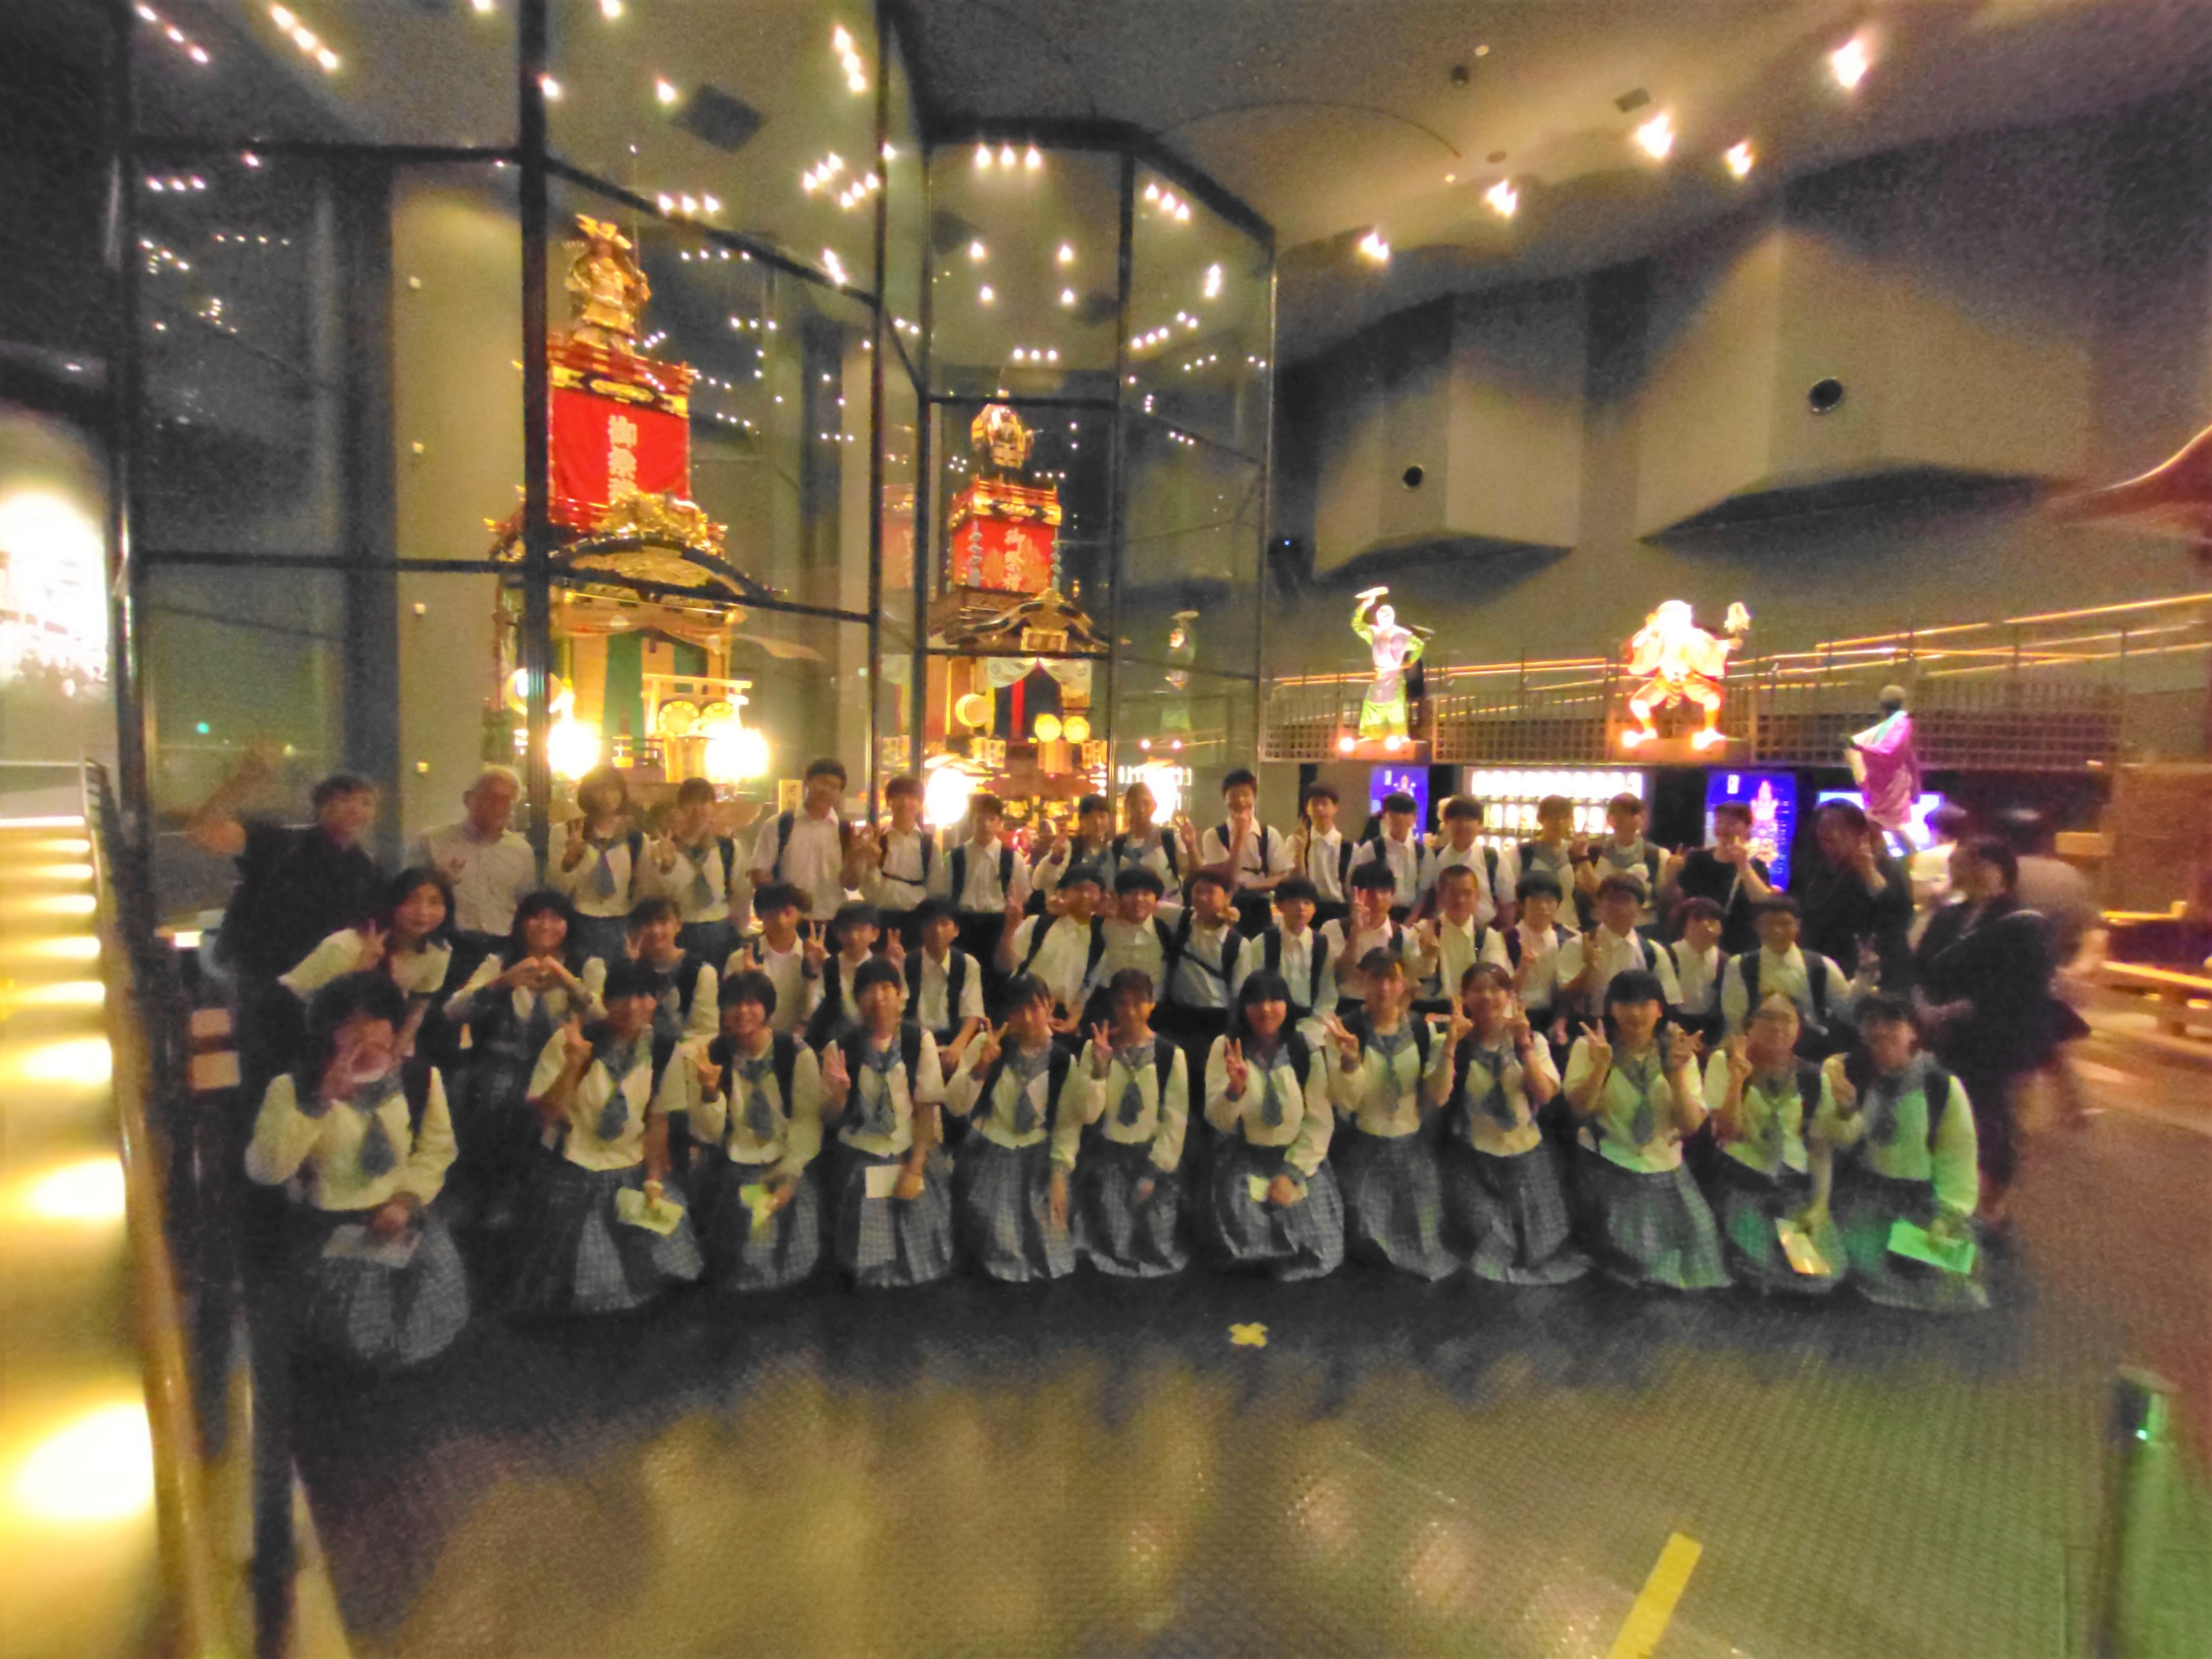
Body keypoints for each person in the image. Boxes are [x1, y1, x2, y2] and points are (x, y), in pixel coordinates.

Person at [243, 972, 468, 1367]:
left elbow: (436, 1150)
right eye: (352, 1037)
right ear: (329, 1035)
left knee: (426, 1313)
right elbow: (266, 1171)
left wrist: (405, 1201)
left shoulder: (418, 1079)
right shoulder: (293, 1089)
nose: (367, 1052)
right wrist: (319, 1101)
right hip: (331, 1228)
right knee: (345, 1341)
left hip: (401, 1217)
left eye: (379, 1039)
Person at [512, 959, 705, 1315]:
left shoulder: (664, 1051)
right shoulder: (572, 1041)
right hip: (575, 1164)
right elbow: (546, 1115)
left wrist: (653, 1180)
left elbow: (658, 1120)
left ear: (656, 1000)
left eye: (643, 996)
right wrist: (573, 1064)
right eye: (622, 996)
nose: (633, 1006)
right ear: (606, 998)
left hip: (630, 1164)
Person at [193, 762, 385, 1100]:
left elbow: (367, 929)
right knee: (265, 1077)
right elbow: (203, 833)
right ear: (321, 805)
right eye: (344, 799)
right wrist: (245, 778)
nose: (356, 809)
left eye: (366, 802)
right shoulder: (280, 842)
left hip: (325, 989)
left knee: (316, 1078)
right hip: (265, 982)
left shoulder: (366, 867)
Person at [1912, 838, 2057, 1225]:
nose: (1967, 872)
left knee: (1989, 1115)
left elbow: (2019, 987)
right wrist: (1923, 1005)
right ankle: (1945, 1188)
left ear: (2003, 870)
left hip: (1991, 1039)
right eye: (1962, 864)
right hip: (1942, 1035)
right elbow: (1921, 964)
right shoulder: (1949, 916)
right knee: (1940, 1108)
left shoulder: (2024, 923)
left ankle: (1993, 1197)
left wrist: (1952, 1011)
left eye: (1978, 865)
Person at [1561, 970, 1728, 1290]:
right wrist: (1600, 1067)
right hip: (1610, 1161)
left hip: (1664, 1164)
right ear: (1612, 1008)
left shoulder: (1675, 1051)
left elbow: (1690, 1125)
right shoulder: (1592, 1046)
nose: (1635, 1013)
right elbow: (1579, 1111)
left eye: (1645, 1004)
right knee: (1638, 1256)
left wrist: (1676, 1074)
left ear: (1660, 1009)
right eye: (1626, 1003)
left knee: (1700, 1250)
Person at [441, 890, 598, 1229]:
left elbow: (602, 1017)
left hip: (562, 1064)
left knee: (546, 1104)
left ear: (569, 925)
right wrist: (502, 984)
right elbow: (453, 1010)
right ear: (521, 923)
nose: (545, 926)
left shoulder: (585, 965)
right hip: (505, 1059)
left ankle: (520, 1192)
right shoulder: (500, 961)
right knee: (495, 1092)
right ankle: (484, 1188)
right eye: (536, 917)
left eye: (555, 918)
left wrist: (568, 982)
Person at [1820, 996, 1986, 1312]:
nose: (1881, 1030)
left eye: (1892, 1021)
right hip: (1868, 1196)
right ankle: (1883, 1253)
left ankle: (1900, 1252)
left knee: (1950, 1269)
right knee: (1850, 1255)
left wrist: (1947, 1214)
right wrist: (1844, 1110)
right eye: (1872, 1022)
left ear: (1913, 1031)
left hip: (1922, 1201)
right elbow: (1837, 1142)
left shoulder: (1941, 1086)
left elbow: (1957, 1154)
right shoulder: (1852, 1075)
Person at [673, 971, 825, 1293]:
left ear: (768, 1009)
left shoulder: (795, 1055)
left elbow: (806, 1121)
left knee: (788, 1256)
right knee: (746, 1248)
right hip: (736, 1164)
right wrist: (710, 1092)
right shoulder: (713, 1055)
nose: (743, 1011)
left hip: (785, 1161)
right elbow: (709, 1133)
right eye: (734, 1004)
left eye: (753, 1003)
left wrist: (788, 1176)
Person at [1436, 962, 1586, 1285]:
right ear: (1464, 997)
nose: (1487, 997)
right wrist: (1449, 1045)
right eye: (1478, 990)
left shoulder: (1533, 1040)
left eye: (1495, 989)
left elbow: (1544, 1095)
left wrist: (1525, 1047)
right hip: (1475, 1159)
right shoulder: (1454, 1044)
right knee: (1489, 1246)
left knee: (1539, 1248)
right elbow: (1437, 1099)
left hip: (1526, 1156)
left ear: (1509, 995)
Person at [943, 976, 1094, 1283]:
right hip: (990, 1148)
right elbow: (955, 1105)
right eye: (1017, 1009)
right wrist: (981, 1067)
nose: (1027, 1018)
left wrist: (1059, 1174)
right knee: (996, 1235)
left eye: (1034, 1007)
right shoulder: (989, 1046)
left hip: (1037, 1153)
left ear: (1049, 1007)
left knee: (1049, 1239)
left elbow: (1067, 1124)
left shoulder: (1063, 1061)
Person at [1319, 952, 1456, 1281]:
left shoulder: (1422, 1030)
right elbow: (1345, 1102)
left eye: (1391, 979)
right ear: (1362, 982)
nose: (1383, 988)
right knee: (1366, 1237)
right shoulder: (1345, 1030)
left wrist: (1450, 1046)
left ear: (1404, 983)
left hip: (1411, 1148)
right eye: (1375, 979)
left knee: (1423, 1237)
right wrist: (1350, 1062)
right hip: (1363, 1146)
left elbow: (1437, 1097)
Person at [818, 957, 954, 1289]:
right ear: (857, 1000)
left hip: (909, 1146)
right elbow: (830, 1119)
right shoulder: (840, 1048)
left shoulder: (918, 1041)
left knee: (920, 1229)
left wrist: (916, 1168)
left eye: (885, 988)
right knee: (869, 1236)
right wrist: (838, 1095)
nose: (878, 998)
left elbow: (926, 1109)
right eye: (868, 990)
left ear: (900, 995)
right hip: (863, 1149)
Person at [1202, 972, 1345, 1281]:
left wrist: (1291, 1174)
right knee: (1241, 1238)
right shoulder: (1225, 1047)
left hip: (1295, 1157)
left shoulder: (1303, 1051)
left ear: (1287, 1005)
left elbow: (1320, 1122)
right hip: (1245, 1157)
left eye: (1275, 1000)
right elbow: (1218, 1121)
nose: (1266, 1009)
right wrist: (1235, 1090)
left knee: (1317, 1240)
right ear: (1243, 1007)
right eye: (1256, 1001)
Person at [1699, 995, 1844, 1294]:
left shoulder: (1813, 1078)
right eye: (1767, 1017)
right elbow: (1727, 1131)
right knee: (1760, 1264)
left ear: (1799, 1027)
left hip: (1793, 1189)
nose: (1777, 1026)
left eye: (1786, 1019)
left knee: (1822, 1275)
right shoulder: (1723, 1063)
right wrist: (1737, 1080)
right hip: (1743, 1183)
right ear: (1749, 1026)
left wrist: (1819, 1206)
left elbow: (1820, 1148)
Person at [1068, 970, 1191, 1278]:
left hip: (1151, 1157)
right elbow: (1087, 1114)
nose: (1131, 1011)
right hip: (1108, 1157)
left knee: (1157, 1239)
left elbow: (1175, 1119)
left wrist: (1153, 1172)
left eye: (1139, 1003)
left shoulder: (1170, 1055)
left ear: (1152, 1004)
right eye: (1123, 1003)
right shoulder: (1096, 1048)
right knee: (1114, 1237)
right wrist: (1099, 1070)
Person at [279, 865, 455, 1012]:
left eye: (434, 902)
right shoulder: (345, 946)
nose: (423, 912)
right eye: (412, 900)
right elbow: (324, 1007)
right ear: (393, 904)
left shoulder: (438, 952)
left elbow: (418, 1006)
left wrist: (398, 1044)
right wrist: (362, 968)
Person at [1718, 895, 1870, 1057]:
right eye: (1769, 924)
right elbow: (1735, 1019)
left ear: (1798, 925)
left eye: (1784, 924)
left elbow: (1846, 1011)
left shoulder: (1821, 965)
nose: (1777, 931)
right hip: (1758, 1051)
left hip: (1812, 1050)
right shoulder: (1740, 966)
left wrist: (1864, 976)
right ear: (1757, 927)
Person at [412, 765, 535, 961]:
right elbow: (409, 896)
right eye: (491, 798)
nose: (498, 807)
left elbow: (526, 905)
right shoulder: (432, 841)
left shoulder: (522, 851)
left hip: (502, 947)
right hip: (448, 944)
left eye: (507, 801)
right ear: (468, 799)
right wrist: (439, 882)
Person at [1798, 800, 1913, 991]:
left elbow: (1900, 914)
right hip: (1823, 967)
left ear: (1859, 832)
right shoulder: (1816, 868)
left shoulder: (1883, 865)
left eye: (1837, 827)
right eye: (1822, 827)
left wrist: (1868, 872)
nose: (1828, 834)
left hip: (1873, 970)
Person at [584, 897, 718, 1054]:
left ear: (678, 925)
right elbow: (604, 1014)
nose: (656, 931)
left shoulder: (701, 972)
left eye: (663, 922)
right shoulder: (624, 968)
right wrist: (631, 968)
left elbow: (704, 1032)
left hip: (682, 1055)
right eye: (648, 924)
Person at [549, 766, 648, 966]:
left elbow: (643, 888)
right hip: (579, 923)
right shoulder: (566, 832)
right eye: (599, 789)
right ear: (587, 793)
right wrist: (572, 859)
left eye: (613, 789)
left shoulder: (634, 837)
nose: (606, 796)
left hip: (621, 924)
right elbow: (556, 888)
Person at [998, 864, 1109, 1029]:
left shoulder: (1098, 942)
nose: (1085, 895)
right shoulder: (1039, 924)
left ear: (1101, 897)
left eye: (1091, 890)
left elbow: (1085, 992)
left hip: (1059, 1016)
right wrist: (1009, 930)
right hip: (1023, 1006)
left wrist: (1071, 1023)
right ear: (1062, 893)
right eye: (1078, 889)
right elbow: (1005, 965)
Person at [651, 777, 745, 969]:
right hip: (679, 933)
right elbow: (654, 897)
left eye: (704, 802)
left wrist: (741, 935)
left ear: (713, 806)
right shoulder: (661, 849)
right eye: (691, 802)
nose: (697, 809)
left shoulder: (728, 848)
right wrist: (666, 866)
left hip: (719, 933)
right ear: (679, 808)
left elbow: (742, 894)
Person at [749, 756, 859, 920]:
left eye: (834, 787)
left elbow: (851, 885)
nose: (827, 790)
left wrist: (856, 857)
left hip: (832, 919)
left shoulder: (844, 831)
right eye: (822, 783)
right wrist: (788, 896)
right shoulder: (779, 825)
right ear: (807, 782)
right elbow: (759, 874)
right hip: (787, 920)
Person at [1560, 875, 1681, 1019]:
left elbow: (1669, 999)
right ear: (1599, 905)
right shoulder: (1577, 945)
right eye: (1611, 899)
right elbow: (1565, 998)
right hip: (1589, 1023)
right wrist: (1589, 968)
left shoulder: (1653, 952)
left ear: (1640, 908)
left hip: (1637, 1025)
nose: (1617, 907)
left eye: (1626, 899)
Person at [1231, 876, 1333, 1042]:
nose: (1301, 908)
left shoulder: (1322, 945)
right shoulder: (1263, 943)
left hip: (1311, 1023)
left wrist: (1313, 1027)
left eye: (1307, 903)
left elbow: (1327, 995)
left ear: (1315, 908)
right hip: (1269, 1020)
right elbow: (1251, 988)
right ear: (1280, 905)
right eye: (1293, 902)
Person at [1158, 868, 1246, 1059]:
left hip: (1215, 1020)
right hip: (1177, 1016)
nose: (1202, 898)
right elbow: (1150, 905)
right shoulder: (1180, 919)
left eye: (1211, 892)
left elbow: (1239, 995)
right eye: (1198, 891)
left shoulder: (1236, 943)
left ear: (1227, 897)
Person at [1666, 800, 1772, 954]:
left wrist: (1743, 865)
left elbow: (1763, 903)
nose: (1724, 828)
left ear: (1748, 827)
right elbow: (1678, 900)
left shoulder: (1756, 866)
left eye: (1732, 823)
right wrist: (1671, 874)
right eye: (1719, 822)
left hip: (1738, 945)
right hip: (1696, 939)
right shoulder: (1697, 859)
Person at [723, 882, 826, 1037]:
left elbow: (816, 1013)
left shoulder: (816, 956)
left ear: (800, 914)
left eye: (788, 913)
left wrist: (813, 972)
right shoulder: (740, 959)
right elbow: (730, 1014)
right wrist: (751, 982)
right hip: (752, 1039)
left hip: (802, 1039)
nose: (781, 921)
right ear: (761, 916)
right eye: (772, 914)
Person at [1198, 769, 1292, 933]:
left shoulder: (1269, 834)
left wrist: (1252, 886)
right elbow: (1226, 876)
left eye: (1246, 794)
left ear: (1254, 798)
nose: (1240, 800)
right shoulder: (1213, 835)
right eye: (1234, 795)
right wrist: (1240, 836)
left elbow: (1281, 876)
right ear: (1225, 798)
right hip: (1225, 905)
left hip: (1260, 905)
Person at [1080, 868, 1178, 1023]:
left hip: (1153, 1009)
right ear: (1118, 897)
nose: (1138, 899)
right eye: (1131, 893)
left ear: (1156, 900)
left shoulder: (1164, 928)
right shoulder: (1102, 925)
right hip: (1107, 1006)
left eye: (1146, 894)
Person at [852, 774, 939, 947]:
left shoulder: (929, 846)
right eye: (899, 797)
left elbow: (936, 889)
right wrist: (872, 867)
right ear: (889, 802)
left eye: (912, 798)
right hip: (880, 918)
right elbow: (866, 891)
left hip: (916, 920)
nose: (906, 803)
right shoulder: (878, 840)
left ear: (920, 804)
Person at [946, 792, 1029, 972]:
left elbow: (1022, 895)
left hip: (998, 927)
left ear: (1000, 822)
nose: (985, 825)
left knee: (996, 980)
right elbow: (944, 895)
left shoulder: (1012, 859)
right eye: (980, 819)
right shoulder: (954, 857)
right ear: (971, 822)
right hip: (962, 925)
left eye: (992, 819)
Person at [1326, 860, 1418, 1017]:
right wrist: (1355, 932)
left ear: (1393, 894)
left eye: (1383, 891)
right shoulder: (1334, 929)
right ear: (1354, 895)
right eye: (1369, 892)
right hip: (1344, 1007)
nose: (1377, 898)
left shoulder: (1403, 935)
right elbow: (1340, 976)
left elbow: (1412, 985)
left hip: (1387, 1010)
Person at [1500, 872, 1577, 1056]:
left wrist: (1560, 1022)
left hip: (1553, 1016)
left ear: (1558, 904)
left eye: (1549, 901)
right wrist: (1523, 969)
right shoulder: (1504, 939)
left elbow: (1568, 991)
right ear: (1522, 904)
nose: (1543, 907)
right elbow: (1502, 989)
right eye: (1535, 901)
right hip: (1514, 1016)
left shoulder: (1568, 940)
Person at [1410, 863, 1501, 1016]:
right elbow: (1411, 980)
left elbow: (1495, 982)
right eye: (1453, 893)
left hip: (1475, 1013)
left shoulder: (1487, 937)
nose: (1461, 900)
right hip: (1430, 1012)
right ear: (1440, 897)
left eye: (1467, 893)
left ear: (1477, 897)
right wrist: (1429, 955)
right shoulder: (1421, 931)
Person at [905, 897, 985, 1065]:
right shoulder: (906, 963)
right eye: (931, 923)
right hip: (914, 1046)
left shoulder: (968, 964)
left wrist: (958, 1046)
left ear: (956, 930)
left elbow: (972, 1012)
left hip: (953, 1043)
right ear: (921, 929)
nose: (937, 930)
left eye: (944, 924)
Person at [802, 901, 888, 1049]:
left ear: (875, 934)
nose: (853, 936)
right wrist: (814, 972)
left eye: (861, 929)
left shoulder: (883, 968)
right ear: (837, 934)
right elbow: (812, 1012)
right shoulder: (829, 966)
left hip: (875, 1043)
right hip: (836, 1044)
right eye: (847, 929)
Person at [1575, 794, 1663, 934]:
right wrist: (1583, 857)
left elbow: (1662, 896)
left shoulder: (1656, 855)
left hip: (1643, 929)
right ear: (1609, 819)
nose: (1626, 820)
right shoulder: (1594, 852)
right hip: (1601, 927)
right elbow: (1592, 890)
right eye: (1620, 814)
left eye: (1632, 813)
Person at [1845, 686, 1921, 844]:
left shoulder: (1901, 724)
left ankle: (1913, 855)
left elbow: (1889, 750)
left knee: (1894, 825)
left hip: (1892, 782)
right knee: (1875, 822)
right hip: (1878, 780)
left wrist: (1860, 747)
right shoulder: (1890, 725)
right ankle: (1881, 853)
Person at [1417, 796, 1504, 928]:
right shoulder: (1434, 857)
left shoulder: (1493, 858)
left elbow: (1507, 902)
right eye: (1457, 820)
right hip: (1444, 930)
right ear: (1447, 824)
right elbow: (1426, 897)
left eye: (1469, 820)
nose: (1463, 825)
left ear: (1480, 825)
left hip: (1483, 931)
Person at [1349, 790, 1426, 921]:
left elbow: (1424, 892)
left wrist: (1410, 921)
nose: (1399, 817)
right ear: (1385, 816)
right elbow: (1359, 885)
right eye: (1394, 812)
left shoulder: (1423, 851)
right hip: (1378, 914)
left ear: (1414, 818)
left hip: (1413, 917)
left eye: (1405, 813)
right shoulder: (1372, 848)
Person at [1512, 795, 1586, 930]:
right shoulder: (1522, 853)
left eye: (1565, 818)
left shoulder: (1574, 851)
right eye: (1553, 817)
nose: (1559, 823)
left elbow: (1590, 890)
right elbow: (1512, 895)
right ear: (1541, 819)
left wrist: (1583, 857)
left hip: (1568, 928)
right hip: (1532, 928)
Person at [1288, 780, 1353, 928]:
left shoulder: (1348, 847)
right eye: (1314, 804)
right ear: (1307, 808)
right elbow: (1294, 881)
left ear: (1335, 808)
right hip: (1306, 908)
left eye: (1325, 804)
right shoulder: (1296, 841)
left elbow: (1352, 887)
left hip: (1339, 909)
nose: (1319, 808)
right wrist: (1300, 851)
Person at [1032, 794, 1117, 906]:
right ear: (1081, 821)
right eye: (1090, 818)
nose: (1098, 823)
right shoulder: (1069, 848)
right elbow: (1038, 883)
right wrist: (1055, 859)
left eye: (1102, 817)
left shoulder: (1113, 849)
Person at [1668, 897, 1727, 1044]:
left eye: (1712, 920)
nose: (1705, 925)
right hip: (1672, 1030)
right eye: (1698, 919)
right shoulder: (1667, 956)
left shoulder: (1726, 962)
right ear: (1684, 925)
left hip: (1712, 1034)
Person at [1110, 779, 1182, 895]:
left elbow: (1192, 873)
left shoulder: (1170, 838)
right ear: (1126, 807)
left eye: (1146, 804)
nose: (1141, 810)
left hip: (1169, 903)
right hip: (1133, 904)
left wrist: (1191, 846)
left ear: (1155, 806)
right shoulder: (1117, 845)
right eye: (1135, 805)